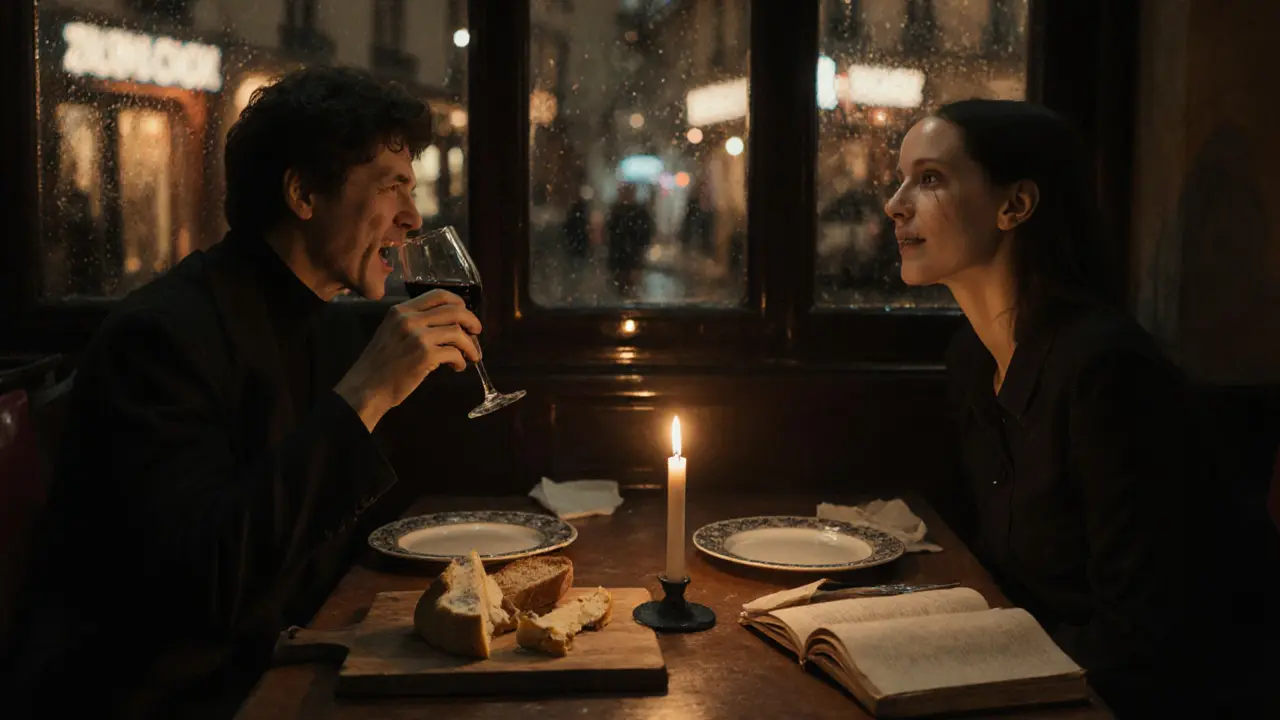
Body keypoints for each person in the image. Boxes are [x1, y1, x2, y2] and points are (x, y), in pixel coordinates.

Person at [3, 66, 483, 718]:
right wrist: (367, 393)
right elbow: (203, 584)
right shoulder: (162, 337)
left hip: (265, 667)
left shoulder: (313, 316)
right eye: (392, 186)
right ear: (303, 194)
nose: (412, 216)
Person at [884, 99, 1213, 717]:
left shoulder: (1106, 370)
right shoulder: (973, 359)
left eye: (929, 179)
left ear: (1016, 205)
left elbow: (1144, 634)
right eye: (901, 179)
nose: (895, 204)